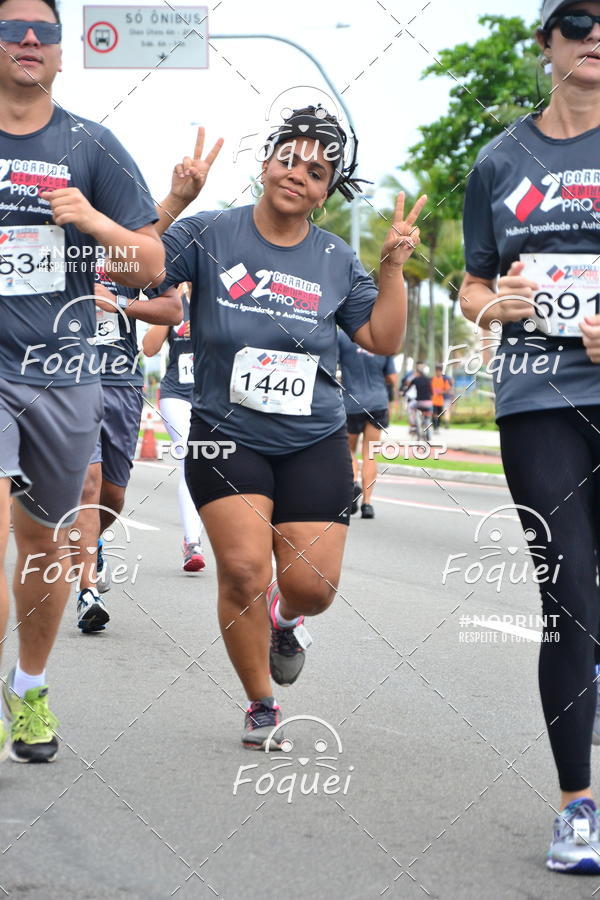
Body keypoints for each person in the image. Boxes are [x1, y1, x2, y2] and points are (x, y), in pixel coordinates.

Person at [148, 105, 426, 749]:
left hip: (313, 440)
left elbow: (381, 337)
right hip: (227, 434)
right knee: (244, 570)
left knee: (312, 588)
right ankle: (260, 703)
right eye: (289, 158)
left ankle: (285, 616)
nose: (299, 173)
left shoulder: (334, 258)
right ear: (266, 163)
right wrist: (174, 199)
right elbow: (134, 268)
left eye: (318, 170)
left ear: (328, 192)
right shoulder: (211, 233)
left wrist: (391, 268)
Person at [0, 0, 164, 763]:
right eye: (10, 28)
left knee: (42, 545)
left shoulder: (92, 146)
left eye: (42, 31)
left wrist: (97, 225)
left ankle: (28, 688)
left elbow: (150, 269)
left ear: (62, 52)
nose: (28, 40)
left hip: (65, 378)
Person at [460, 0, 600, 872]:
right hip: (540, 398)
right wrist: (498, 305)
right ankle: (576, 807)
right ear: (547, 41)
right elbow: (473, 288)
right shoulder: (500, 160)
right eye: (579, 21)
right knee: (570, 599)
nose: (596, 36)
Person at [74, 273, 182, 633]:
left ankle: (93, 540)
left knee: (113, 494)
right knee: (88, 482)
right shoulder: (60, 242)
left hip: (121, 381)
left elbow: (172, 310)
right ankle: (87, 593)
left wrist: (117, 302)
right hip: (68, 377)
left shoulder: (130, 247)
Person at [142, 284, 207, 573]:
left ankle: (204, 533)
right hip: (176, 394)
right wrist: (172, 307)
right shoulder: (174, 299)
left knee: (216, 466)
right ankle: (192, 542)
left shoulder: (222, 296)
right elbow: (149, 347)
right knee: (189, 460)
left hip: (214, 398)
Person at [337, 329, 396, 518]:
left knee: (349, 450)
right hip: (377, 403)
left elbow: (331, 364)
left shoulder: (342, 337)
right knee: (370, 454)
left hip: (352, 404)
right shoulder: (382, 337)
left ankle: (353, 483)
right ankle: (367, 504)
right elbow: (393, 378)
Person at [404, 362, 433, 436]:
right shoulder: (429, 379)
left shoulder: (415, 380)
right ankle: (428, 430)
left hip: (419, 402)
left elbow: (408, 389)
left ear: (418, 373)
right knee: (428, 414)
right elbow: (432, 391)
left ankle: (413, 425)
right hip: (429, 402)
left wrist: (404, 394)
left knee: (410, 407)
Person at [431, 364, 451, 431]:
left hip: (440, 401)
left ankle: (438, 426)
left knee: (439, 415)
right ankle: (435, 426)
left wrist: (441, 392)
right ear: (435, 371)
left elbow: (447, 390)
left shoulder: (444, 380)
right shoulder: (432, 379)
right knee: (434, 414)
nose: (438, 372)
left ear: (441, 371)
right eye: (437, 371)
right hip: (433, 400)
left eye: (439, 371)